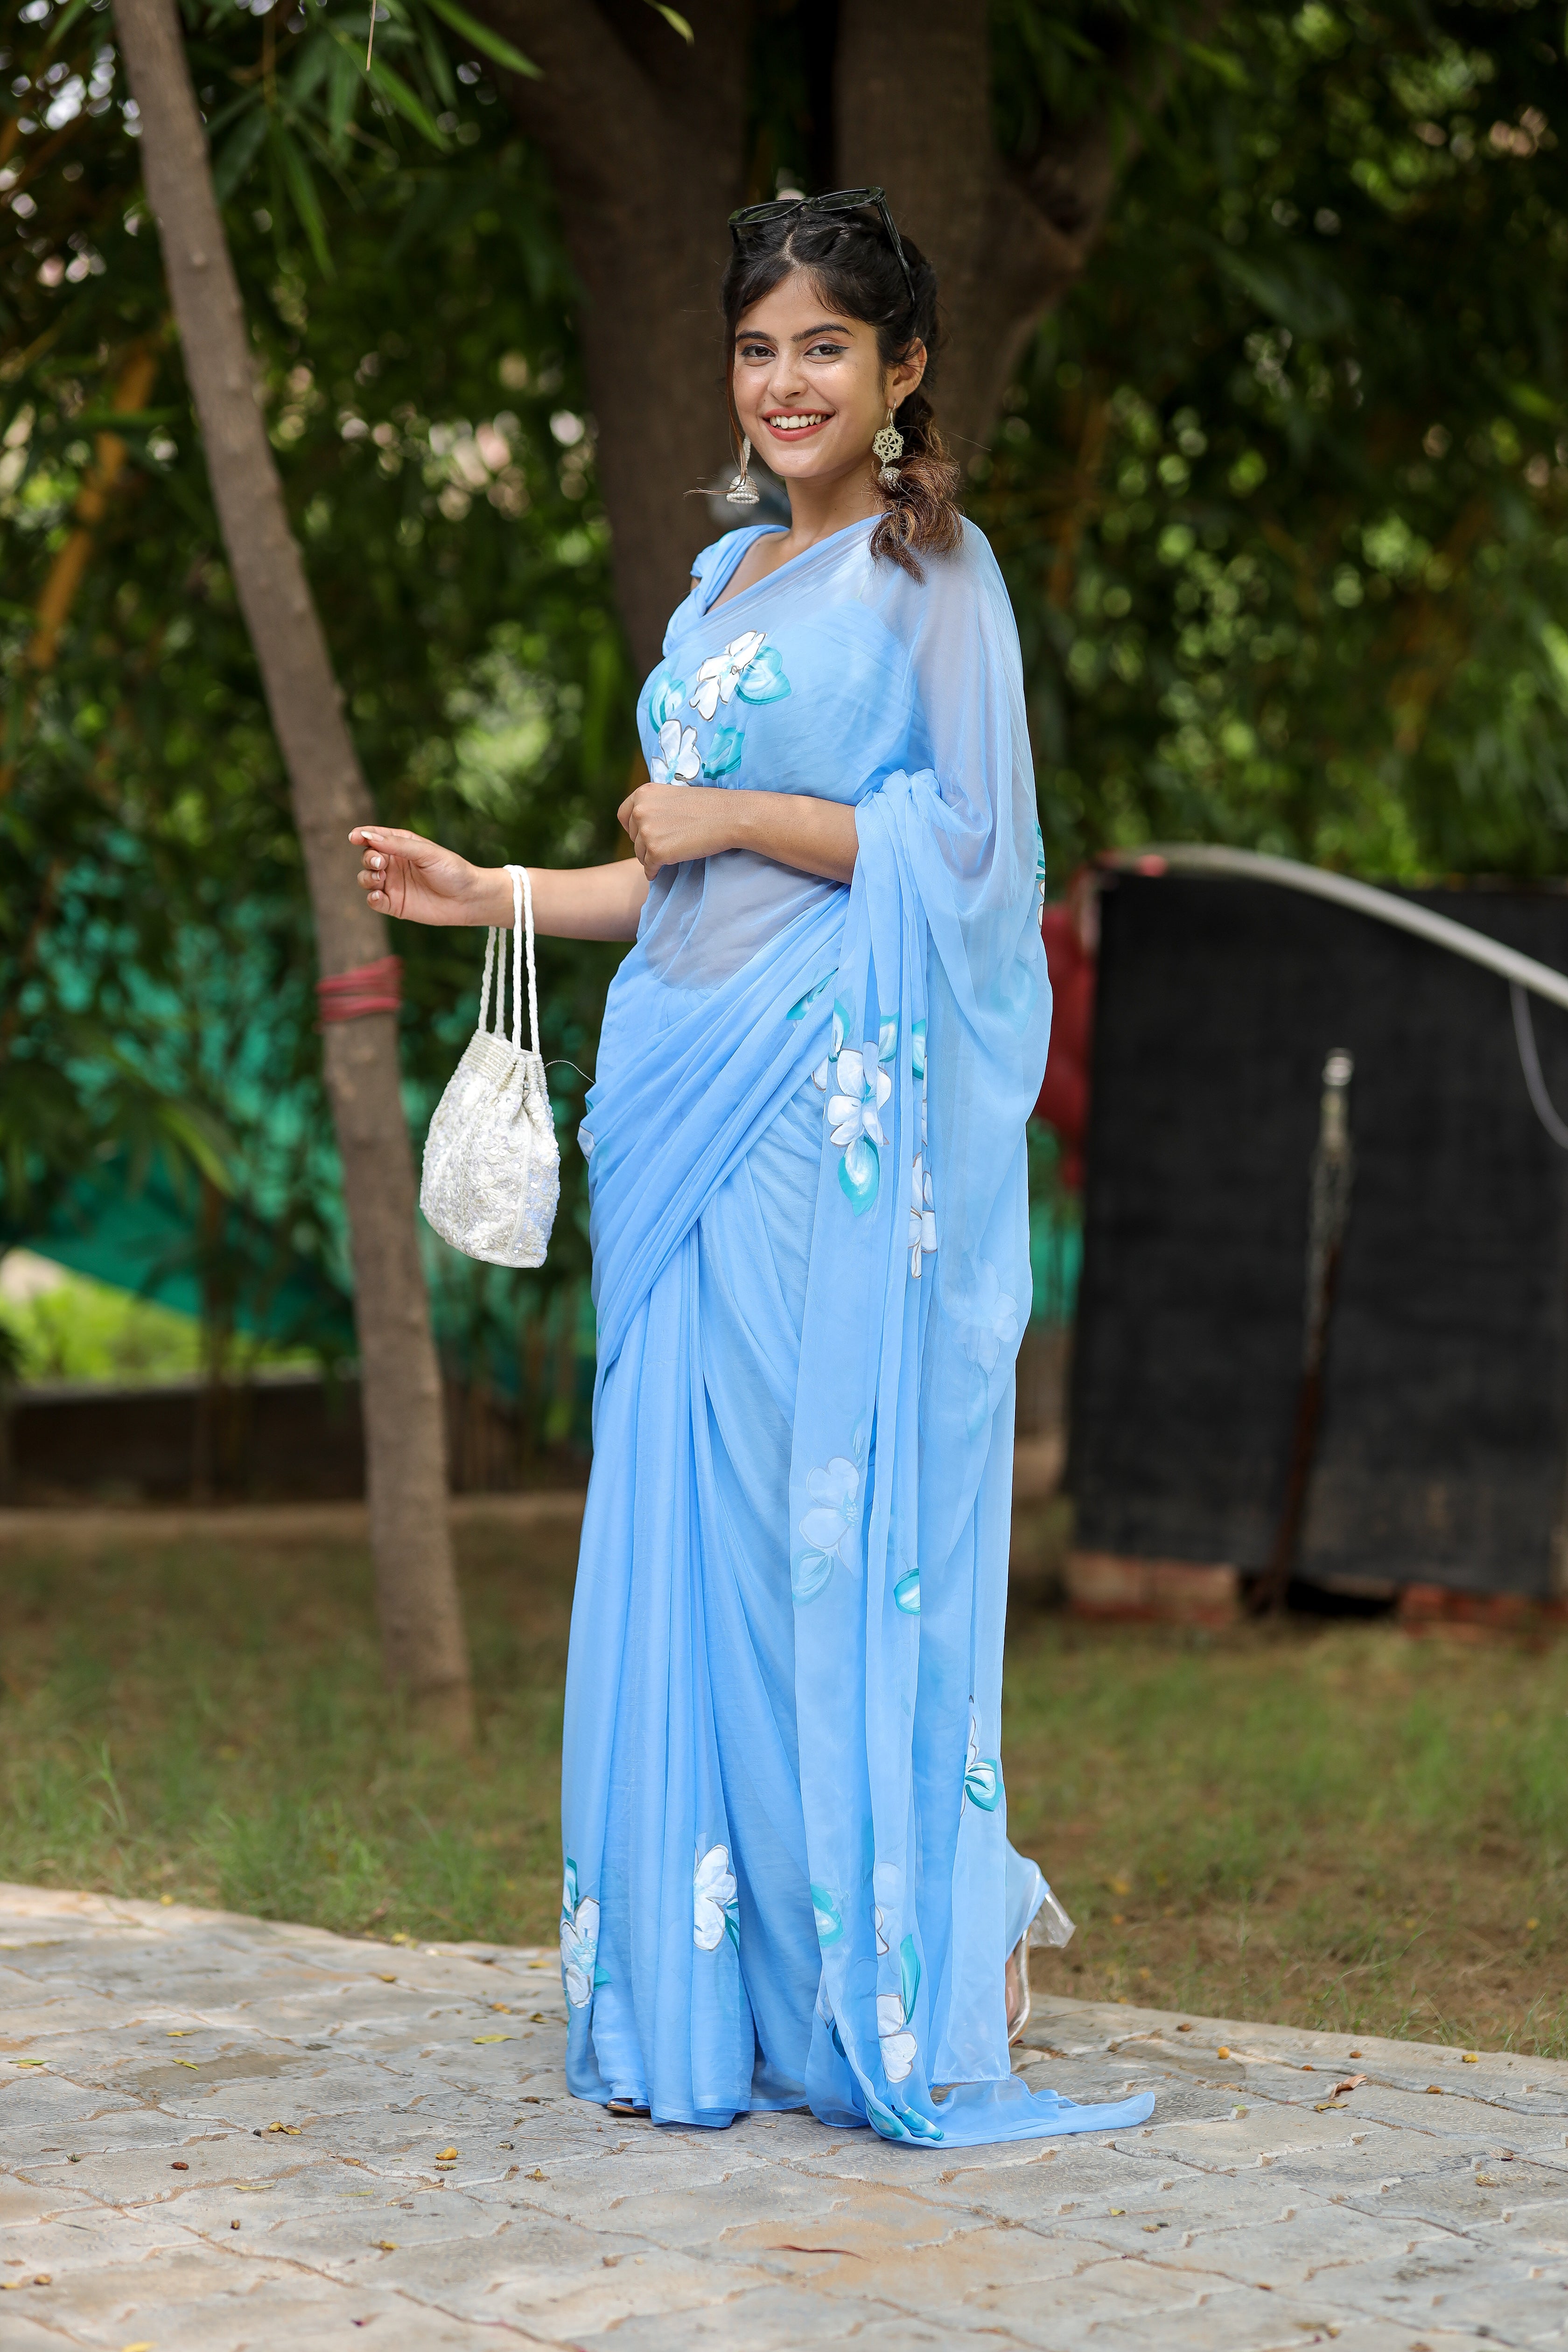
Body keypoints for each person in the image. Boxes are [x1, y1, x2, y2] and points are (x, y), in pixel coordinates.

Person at [351, 189, 1153, 2148]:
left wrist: (731, 810)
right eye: (756, 346)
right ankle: (724, 2004)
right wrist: (502, 892)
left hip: (825, 1103)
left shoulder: (929, 576)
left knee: (822, 1527)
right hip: (681, 1093)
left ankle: (896, 1965)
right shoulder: (718, 586)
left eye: (824, 347)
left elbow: (965, 861)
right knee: (696, 1544)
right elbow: (683, 875)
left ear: (903, 371)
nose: (786, 381)